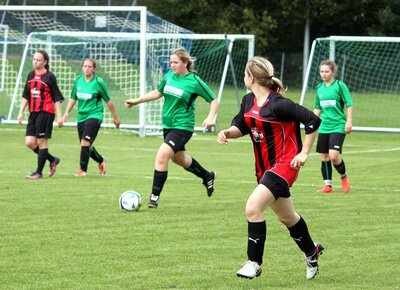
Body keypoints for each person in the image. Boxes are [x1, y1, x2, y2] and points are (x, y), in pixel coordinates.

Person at [217, 56, 323, 280]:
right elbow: (241, 126)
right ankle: (312, 252)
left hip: (285, 165)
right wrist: (227, 132)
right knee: (287, 217)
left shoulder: (279, 104)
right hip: (264, 169)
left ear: (251, 77)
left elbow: (313, 121)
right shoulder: (248, 100)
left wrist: (304, 152)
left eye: (245, 74)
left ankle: (254, 262)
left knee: (253, 208)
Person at [125, 47, 218, 208]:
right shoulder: (169, 76)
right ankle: (207, 175)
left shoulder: (194, 81)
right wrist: (136, 101)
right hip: (168, 126)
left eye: (175, 62)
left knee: (162, 156)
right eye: (171, 62)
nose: (172, 65)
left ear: (185, 63)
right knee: (179, 159)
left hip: (183, 126)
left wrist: (210, 117)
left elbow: (213, 100)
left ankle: (154, 197)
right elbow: (157, 92)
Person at [63, 58, 121, 176]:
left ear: (94, 69)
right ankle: (101, 160)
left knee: (85, 142)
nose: (87, 68)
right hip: (81, 117)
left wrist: (116, 118)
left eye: (90, 66)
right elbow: (73, 97)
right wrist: (67, 112)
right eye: (85, 66)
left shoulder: (98, 82)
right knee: (86, 145)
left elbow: (109, 101)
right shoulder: (78, 81)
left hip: (95, 115)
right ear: (82, 68)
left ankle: (82, 170)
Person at [17, 50, 64, 179]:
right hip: (33, 113)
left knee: (41, 142)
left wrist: (59, 116)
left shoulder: (49, 77)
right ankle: (52, 159)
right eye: (34, 59)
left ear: (45, 62)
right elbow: (26, 95)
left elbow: (56, 97)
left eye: (38, 60)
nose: (35, 61)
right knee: (30, 142)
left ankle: (38, 172)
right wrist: (21, 112)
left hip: (46, 112)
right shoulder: (30, 75)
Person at [313, 60, 353, 194]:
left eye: (326, 71)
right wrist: (311, 122)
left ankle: (344, 177)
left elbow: (349, 104)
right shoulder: (319, 88)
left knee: (334, 156)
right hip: (324, 126)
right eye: (322, 71)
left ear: (333, 72)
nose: (323, 74)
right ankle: (328, 186)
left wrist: (349, 121)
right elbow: (318, 107)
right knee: (324, 156)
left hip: (338, 126)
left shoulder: (339, 85)